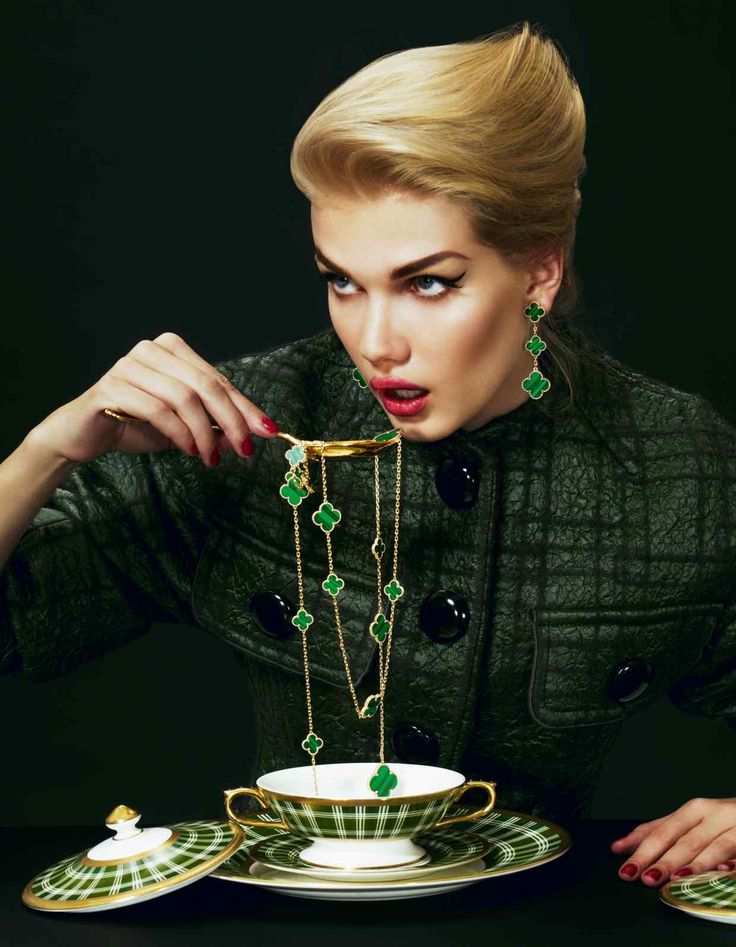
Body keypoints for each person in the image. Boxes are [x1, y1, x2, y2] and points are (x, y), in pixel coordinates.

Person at [2, 21, 736, 889]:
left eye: (430, 282)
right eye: (342, 280)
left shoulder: (674, 462)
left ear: (538, 270)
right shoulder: (245, 426)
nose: (375, 340)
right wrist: (44, 448)